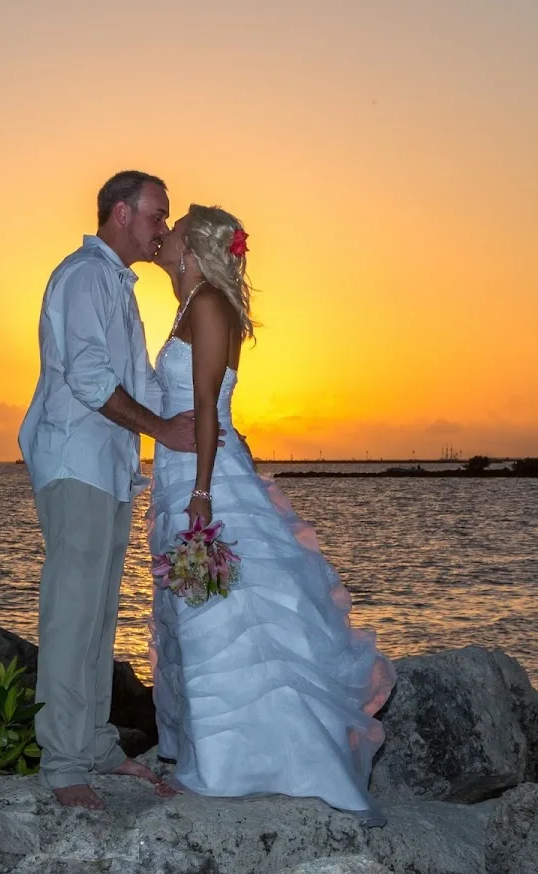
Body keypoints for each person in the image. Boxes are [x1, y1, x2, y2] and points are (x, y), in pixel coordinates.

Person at [147, 204, 397, 825]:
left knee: (225, 614)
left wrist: (201, 494)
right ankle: (221, 755)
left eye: (175, 230)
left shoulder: (206, 305)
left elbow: (206, 403)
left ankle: (230, 768)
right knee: (211, 611)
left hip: (205, 474)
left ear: (193, 248)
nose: (165, 233)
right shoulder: (193, 303)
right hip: (184, 469)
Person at [19, 171, 204, 810]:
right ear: (121, 212)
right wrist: (161, 430)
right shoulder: (82, 276)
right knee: (71, 611)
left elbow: (142, 386)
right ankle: (64, 760)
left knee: (98, 611)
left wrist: (200, 421)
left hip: (110, 468)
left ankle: (94, 742)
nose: (162, 228)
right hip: (75, 463)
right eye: (158, 215)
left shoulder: (118, 290)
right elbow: (90, 378)